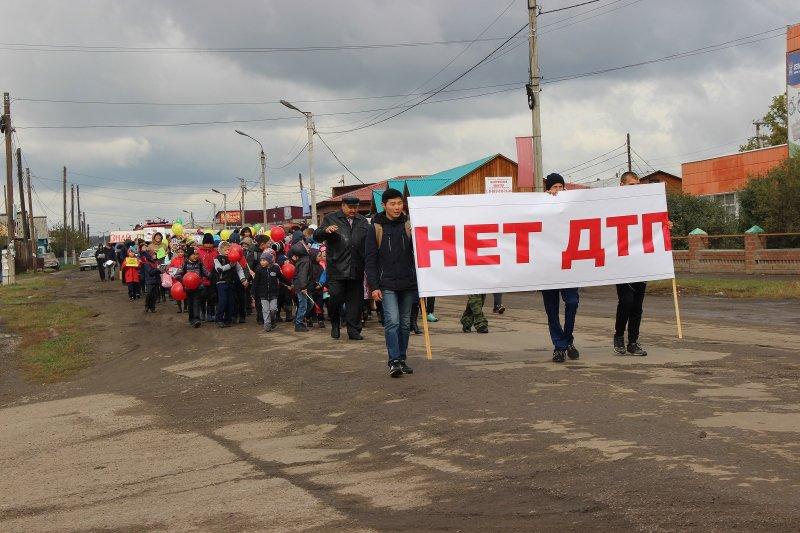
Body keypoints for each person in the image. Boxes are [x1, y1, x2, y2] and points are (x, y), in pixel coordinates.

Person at [612, 171, 670, 357]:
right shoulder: (612, 204)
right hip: (621, 260)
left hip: (641, 261)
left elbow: (653, 224)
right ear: (622, 185)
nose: (635, 189)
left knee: (637, 305)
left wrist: (664, 225)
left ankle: (633, 342)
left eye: (637, 185)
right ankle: (619, 336)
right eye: (631, 186)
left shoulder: (646, 204)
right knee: (626, 301)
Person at [365, 188, 417, 378]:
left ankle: (402, 358)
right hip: (386, 283)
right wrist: (374, 286)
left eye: (399, 203)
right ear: (384, 205)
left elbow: (420, 254)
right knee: (392, 321)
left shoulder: (410, 225)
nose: (397, 207)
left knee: (404, 323)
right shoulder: (376, 227)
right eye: (392, 204)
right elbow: (370, 260)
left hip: (408, 282)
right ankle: (393, 360)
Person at [313, 197, 370, 340]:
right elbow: (317, 236)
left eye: (355, 207)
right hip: (336, 268)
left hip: (356, 268)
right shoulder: (331, 218)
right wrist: (326, 231)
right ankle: (334, 324)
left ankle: (354, 330)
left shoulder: (362, 221)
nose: (353, 210)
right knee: (335, 300)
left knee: (355, 302)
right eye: (350, 207)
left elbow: (368, 242)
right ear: (343, 206)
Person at [541, 173, 580, 363]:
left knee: (572, 302)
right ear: (547, 190)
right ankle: (559, 345)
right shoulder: (538, 209)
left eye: (560, 187)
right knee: (552, 308)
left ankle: (567, 338)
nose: (557, 191)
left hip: (569, 265)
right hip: (547, 267)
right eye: (554, 187)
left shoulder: (572, 208)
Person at [214, 241, 247, 328]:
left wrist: (243, 279)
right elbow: (219, 269)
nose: (227, 251)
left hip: (231, 283)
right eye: (225, 250)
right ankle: (219, 319)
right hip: (221, 283)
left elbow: (239, 269)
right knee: (223, 301)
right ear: (220, 250)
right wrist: (230, 265)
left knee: (230, 302)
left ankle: (228, 319)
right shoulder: (217, 258)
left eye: (228, 249)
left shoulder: (233, 258)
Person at [180, 246, 209, 328]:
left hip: (198, 288)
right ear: (189, 255)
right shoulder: (184, 264)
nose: (195, 256)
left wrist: (212, 277)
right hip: (188, 289)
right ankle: (191, 319)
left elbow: (206, 273)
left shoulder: (199, 264)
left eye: (197, 254)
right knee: (190, 304)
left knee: (196, 303)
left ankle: (196, 319)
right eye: (193, 254)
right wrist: (184, 282)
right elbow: (177, 275)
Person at [252, 249, 281, 332]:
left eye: (264, 260)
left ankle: (273, 320)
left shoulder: (275, 268)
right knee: (265, 310)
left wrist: (289, 284)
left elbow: (281, 277)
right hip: (263, 295)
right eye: (261, 260)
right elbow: (255, 282)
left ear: (269, 260)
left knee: (273, 309)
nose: (262, 262)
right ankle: (267, 325)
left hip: (273, 294)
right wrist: (253, 292)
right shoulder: (259, 270)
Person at [290, 241, 313, 332]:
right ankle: (298, 323)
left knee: (309, 303)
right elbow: (302, 275)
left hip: (303, 285)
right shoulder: (305, 261)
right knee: (303, 305)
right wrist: (303, 287)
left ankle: (299, 319)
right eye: (305, 246)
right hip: (301, 286)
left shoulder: (305, 259)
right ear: (302, 250)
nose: (307, 247)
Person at [197, 233, 218, 321]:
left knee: (211, 297)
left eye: (210, 243)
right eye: (206, 243)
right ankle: (202, 312)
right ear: (203, 243)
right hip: (202, 279)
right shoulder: (198, 252)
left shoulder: (215, 252)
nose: (208, 245)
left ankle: (210, 314)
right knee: (202, 297)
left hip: (213, 279)